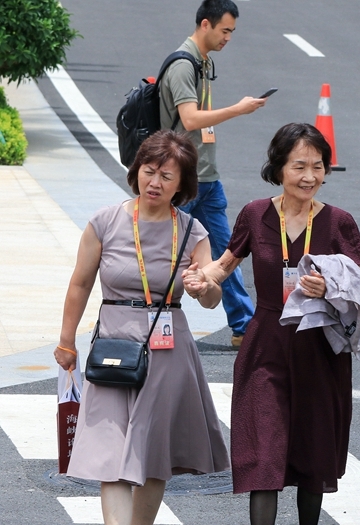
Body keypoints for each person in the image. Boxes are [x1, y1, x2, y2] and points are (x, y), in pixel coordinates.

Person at [183, 123, 360, 525]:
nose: (310, 176)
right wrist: (203, 279)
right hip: (266, 346)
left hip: (320, 349)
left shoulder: (339, 222)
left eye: (318, 167)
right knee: (263, 457)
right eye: (299, 166)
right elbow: (225, 263)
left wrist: (331, 289)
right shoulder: (255, 214)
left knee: (313, 455)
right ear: (279, 168)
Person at [53, 130, 229, 525]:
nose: (156, 182)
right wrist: (66, 343)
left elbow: (210, 296)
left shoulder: (191, 231)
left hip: (168, 348)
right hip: (114, 343)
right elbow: (80, 283)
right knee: (109, 450)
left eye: (167, 176)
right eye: (150, 171)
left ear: (182, 185)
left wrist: (203, 287)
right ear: (137, 172)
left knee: (152, 453)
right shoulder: (105, 222)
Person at [160, 0, 267, 347]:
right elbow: (190, 119)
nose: (228, 38)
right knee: (167, 252)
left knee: (228, 253)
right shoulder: (183, 64)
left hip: (207, 177)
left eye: (231, 32)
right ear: (205, 24)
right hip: (183, 180)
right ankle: (152, 322)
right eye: (225, 30)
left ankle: (243, 325)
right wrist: (238, 109)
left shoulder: (204, 62)